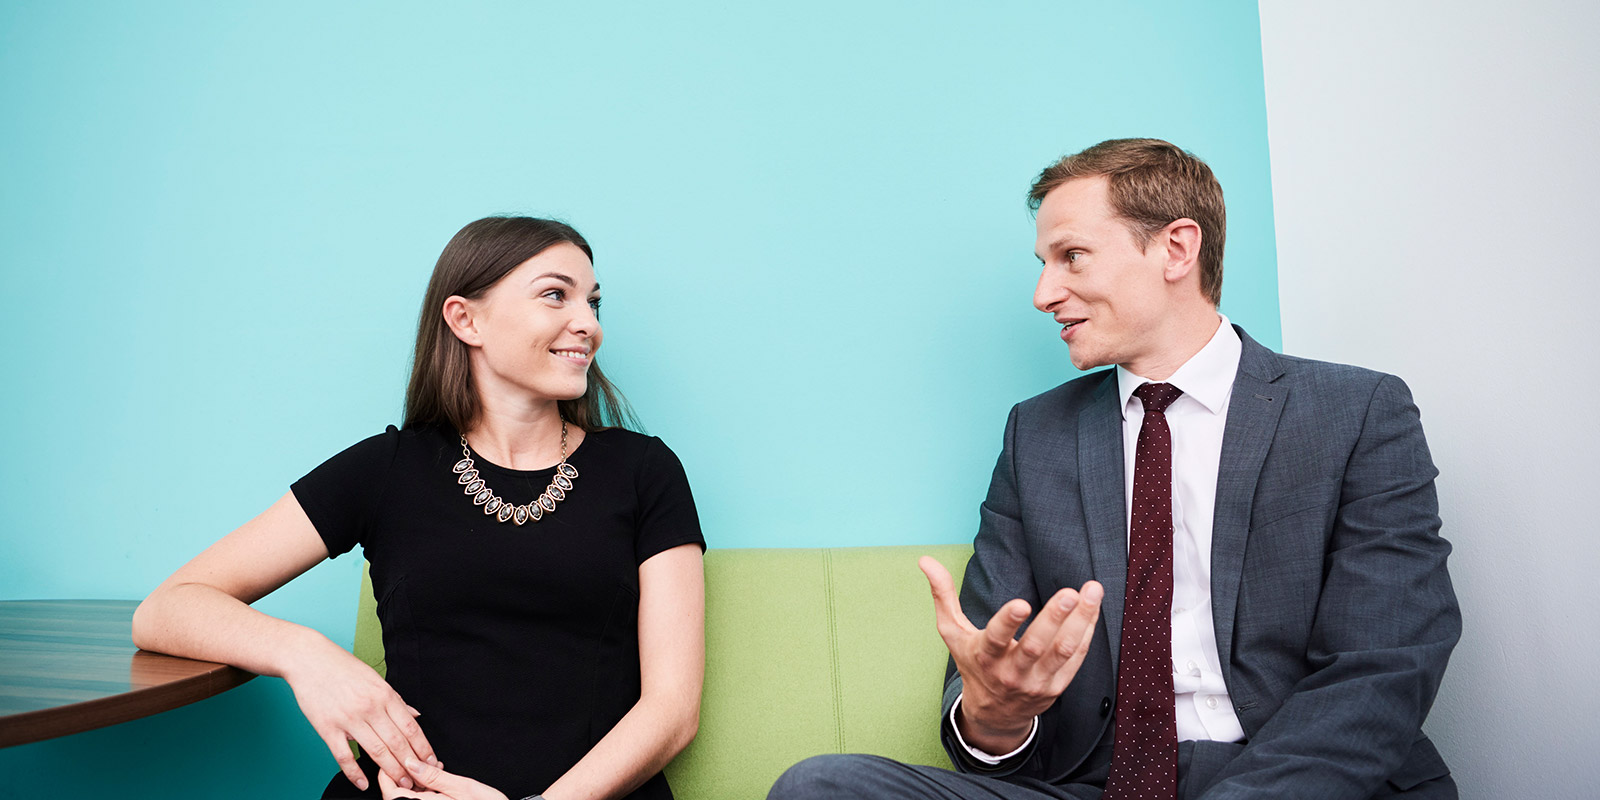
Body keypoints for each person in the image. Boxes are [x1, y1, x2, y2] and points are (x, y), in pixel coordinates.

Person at [769, 139, 1460, 799]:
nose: (1043, 293)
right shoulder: (1035, 435)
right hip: (1099, 785)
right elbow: (987, 690)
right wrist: (996, 716)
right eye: (1043, 263)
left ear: (1176, 248)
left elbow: (1382, 669)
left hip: (1297, 780)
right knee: (820, 788)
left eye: (1071, 257)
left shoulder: (1356, 411)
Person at [133, 217, 706, 800]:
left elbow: (673, 709)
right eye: (556, 295)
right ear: (466, 319)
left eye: (594, 303)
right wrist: (306, 656)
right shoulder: (387, 468)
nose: (588, 324)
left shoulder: (645, 471)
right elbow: (165, 610)